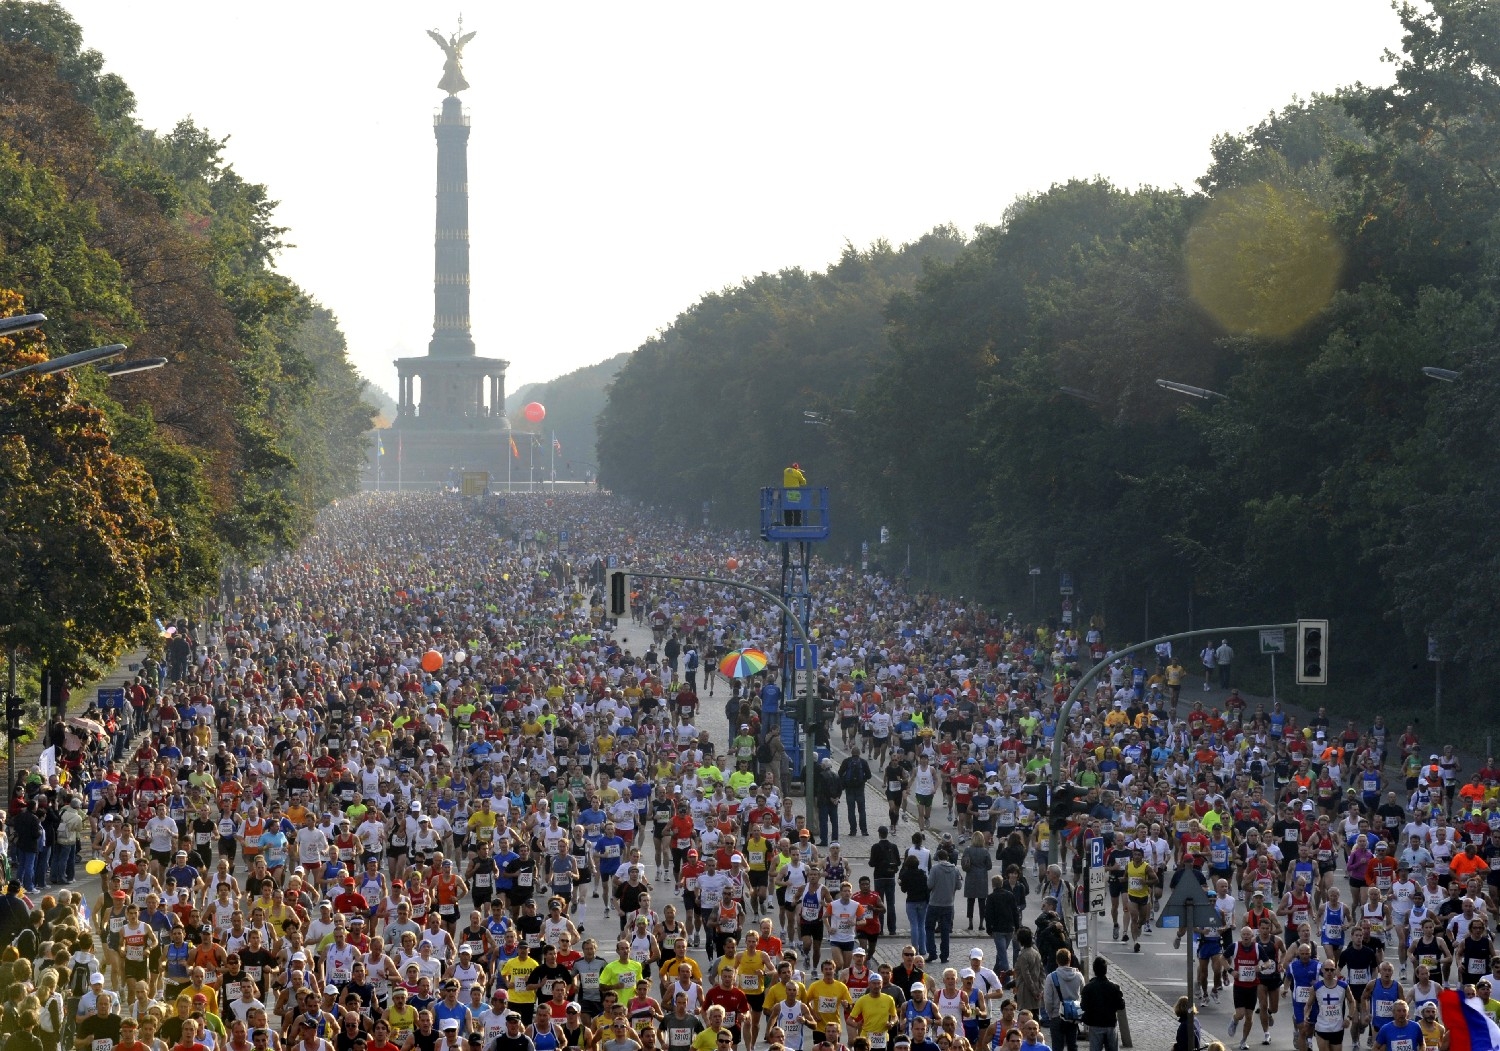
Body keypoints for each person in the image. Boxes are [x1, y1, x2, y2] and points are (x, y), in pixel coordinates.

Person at [1078, 958, 1124, 1051]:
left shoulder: (1089, 988)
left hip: (1095, 1024)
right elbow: (1121, 1005)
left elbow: (1083, 1006)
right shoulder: (1114, 987)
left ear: (1094, 970)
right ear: (1106, 970)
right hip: (1110, 1024)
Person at [1041, 950, 1082, 1051]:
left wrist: (1050, 1014)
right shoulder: (1078, 976)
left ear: (1057, 961)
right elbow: (1082, 996)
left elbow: (1048, 999)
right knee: (1073, 1045)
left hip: (1056, 1015)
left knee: (1057, 1046)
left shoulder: (1051, 977)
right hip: (1072, 1015)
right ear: (1070, 960)